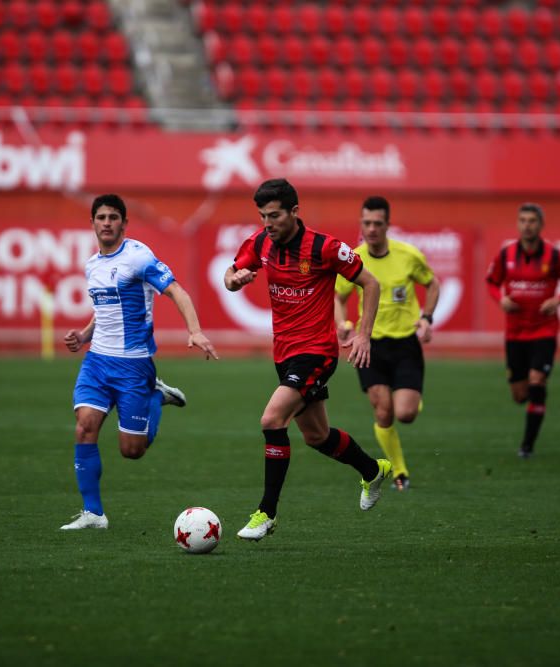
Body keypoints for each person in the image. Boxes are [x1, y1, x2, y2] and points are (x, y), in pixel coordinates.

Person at [223, 178, 392, 541]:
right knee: (317, 437)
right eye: (263, 216)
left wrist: (363, 334)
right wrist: (235, 280)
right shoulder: (260, 242)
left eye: (275, 215)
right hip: (283, 353)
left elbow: (371, 283)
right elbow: (230, 274)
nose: (268, 223)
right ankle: (373, 470)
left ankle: (265, 513)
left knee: (271, 419)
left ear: (294, 212)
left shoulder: (324, 247)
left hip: (317, 351)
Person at [60, 194, 219, 530]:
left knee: (132, 450)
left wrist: (195, 330)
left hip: (133, 365)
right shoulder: (92, 265)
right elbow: (104, 310)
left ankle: (155, 395)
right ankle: (94, 514)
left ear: (124, 223)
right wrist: (86, 335)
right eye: (100, 217)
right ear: (92, 223)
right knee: (84, 426)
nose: (106, 223)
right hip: (98, 361)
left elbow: (176, 290)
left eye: (113, 217)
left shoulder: (138, 258)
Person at [334, 196, 440, 491]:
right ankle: (399, 471)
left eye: (377, 223)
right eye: (366, 223)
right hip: (370, 346)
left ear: (388, 225)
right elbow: (337, 296)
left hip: (405, 343)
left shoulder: (408, 255)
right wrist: (343, 324)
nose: (371, 229)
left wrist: (427, 317)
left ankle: (411, 401)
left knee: (404, 414)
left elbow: (432, 283)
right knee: (383, 411)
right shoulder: (353, 258)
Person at [485, 202, 560, 459]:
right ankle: (535, 400)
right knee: (520, 395)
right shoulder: (506, 255)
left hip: (544, 331)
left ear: (541, 225)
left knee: (537, 381)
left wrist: (558, 300)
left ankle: (527, 446)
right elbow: (492, 282)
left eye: (532, 221)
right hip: (515, 333)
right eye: (523, 220)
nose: (527, 225)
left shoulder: (555, 256)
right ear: (518, 224)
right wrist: (500, 299)